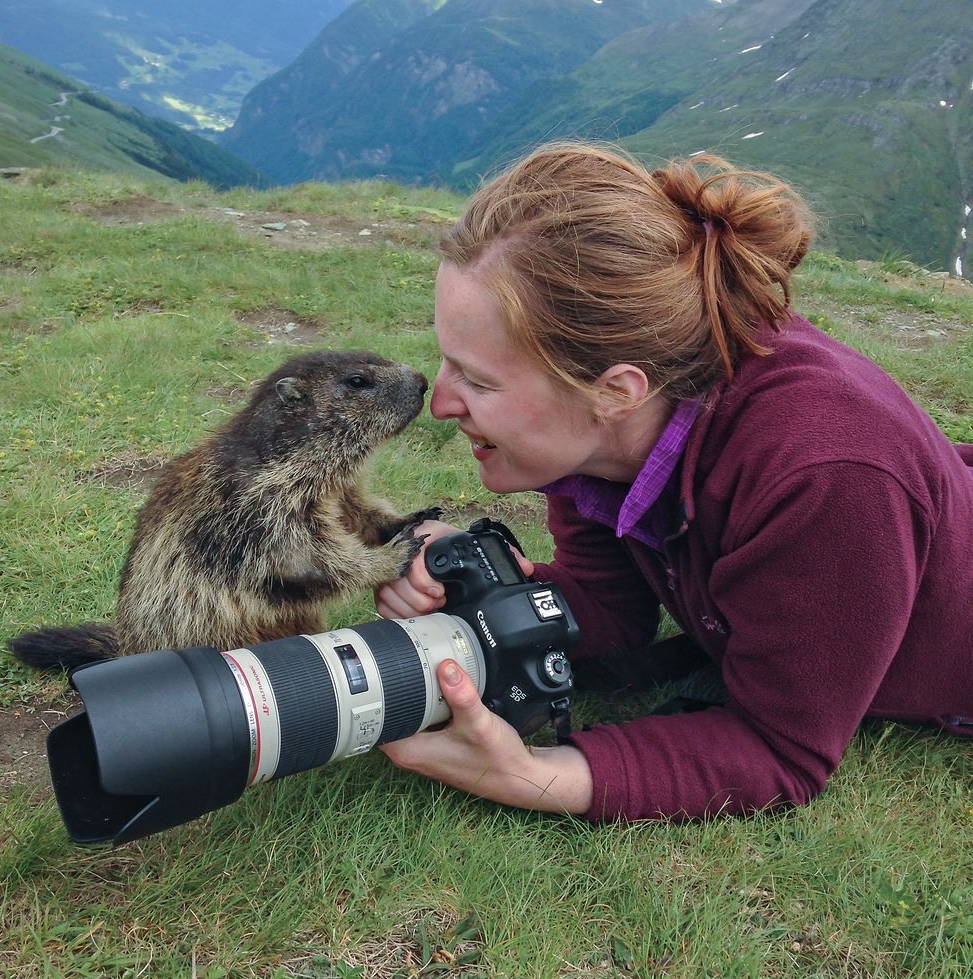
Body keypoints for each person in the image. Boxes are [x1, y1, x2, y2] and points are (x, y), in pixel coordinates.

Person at [374, 142, 973, 822]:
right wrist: (492, 593)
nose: (441, 403)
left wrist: (536, 774)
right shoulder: (615, 419)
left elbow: (782, 746)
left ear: (615, 392)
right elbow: (613, 610)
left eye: (478, 380)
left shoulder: (826, 476)